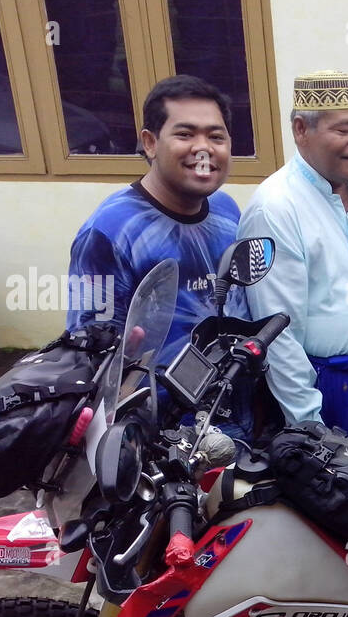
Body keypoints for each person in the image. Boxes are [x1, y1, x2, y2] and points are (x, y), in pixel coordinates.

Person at [64, 75, 251, 434]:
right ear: (150, 143)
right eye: (185, 135)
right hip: (158, 442)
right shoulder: (110, 232)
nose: (203, 149)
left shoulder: (226, 212)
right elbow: (89, 357)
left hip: (233, 420)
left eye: (216, 136)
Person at [237, 70, 348, 460]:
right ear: (300, 129)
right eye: (344, 129)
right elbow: (278, 337)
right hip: (329, 396)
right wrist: (313, 432)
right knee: (346, 507)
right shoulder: (275, 208)